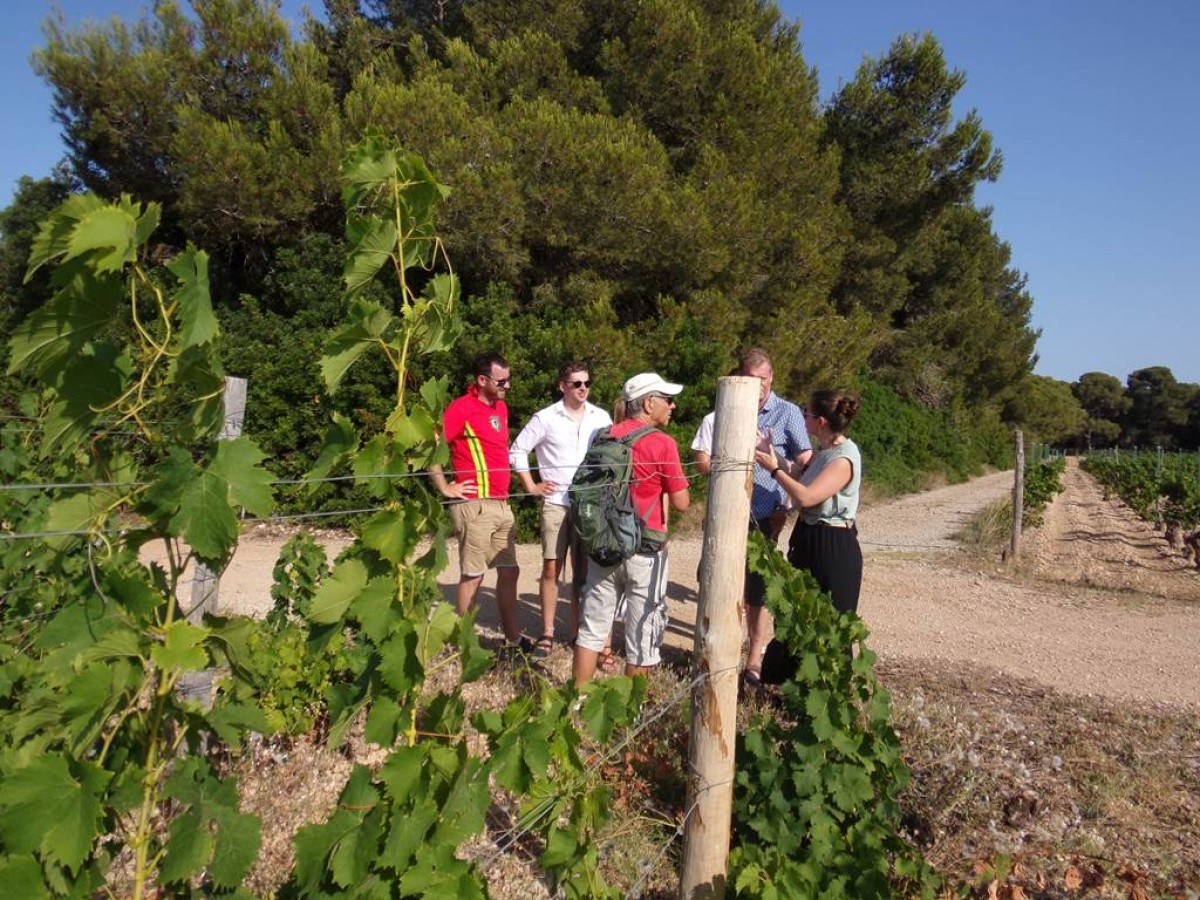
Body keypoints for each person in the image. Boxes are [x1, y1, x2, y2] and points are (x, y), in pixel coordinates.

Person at [691, 349, 811, 684]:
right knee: (718, 580)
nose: (758, 386)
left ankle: (754, 657)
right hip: (724, 512)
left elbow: (803, 462)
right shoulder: (725, 409)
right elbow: (701, 459)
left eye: (763, 379)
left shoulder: (787, 413)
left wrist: (785, 505)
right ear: (740, 377)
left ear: (772, 377)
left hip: (765, 514)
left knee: (757, 590)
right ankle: (720, 651)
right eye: (751, 379)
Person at [573, 373, 690, 684]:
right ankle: (631, 713)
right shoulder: (663, 443)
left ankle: (575, 701)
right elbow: (681, 502)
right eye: (667, 399)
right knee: (642, 636)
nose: (673, 406)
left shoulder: (603, 436)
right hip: (645, 550)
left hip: (603, 544)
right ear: (649, 403)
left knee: (592, 629)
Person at [753, 389, 863, 681]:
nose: (803, 418)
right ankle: (787, 688)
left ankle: (826, 689)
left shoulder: (843, 458)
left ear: (822, 420)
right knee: (797, 615)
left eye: (807, 414)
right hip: (810, 540)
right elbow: (801, 474)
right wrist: (772, 453)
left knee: (831, 623)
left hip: (833, 547)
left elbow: (806, 496)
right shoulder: (824, 452)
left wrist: (774, 470)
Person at [509, 362, 613, 657]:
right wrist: (531, 485)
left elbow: (610, 454)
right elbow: (517, 450)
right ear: (562, 386)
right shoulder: (545, 417)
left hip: (589, 505)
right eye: (576, 383)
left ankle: (578, 634)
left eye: (587, 383)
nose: (583, 389)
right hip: (556, 503)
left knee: (584, 572)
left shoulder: (600, 417)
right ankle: (547, 632)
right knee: (552, 567)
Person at [430, 352, 527, 650]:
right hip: (474, 502)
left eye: (509, 379)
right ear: (482, 380)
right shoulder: (462, 408)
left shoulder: (501, 408)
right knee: (473, 576)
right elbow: (431, 444)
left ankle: (512, 639)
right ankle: (463, 645)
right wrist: (445, 486)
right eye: (502, 380)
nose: (507, 385)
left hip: (501, 502)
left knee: (510, 571)